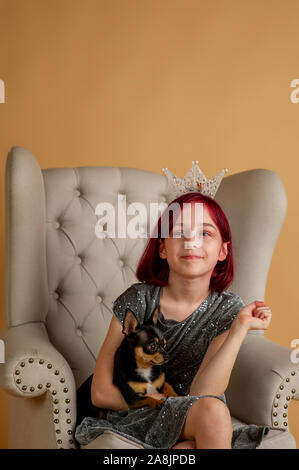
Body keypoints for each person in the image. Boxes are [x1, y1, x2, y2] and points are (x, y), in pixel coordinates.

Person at [75, 192, 272, 449]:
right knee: (208, 421)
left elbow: (203, 392)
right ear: (163, 248)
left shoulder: (228, 309)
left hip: (198, 416)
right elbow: (100, 393)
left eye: (205, 233)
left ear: (223, 250)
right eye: (180, 232)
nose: (191, 242)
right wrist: (162, 402)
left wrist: (239, 328)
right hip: (137, 415)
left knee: (207, 420)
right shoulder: (138, 299)